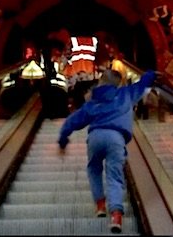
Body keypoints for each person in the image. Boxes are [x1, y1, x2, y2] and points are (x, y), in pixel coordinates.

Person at [58, 69, 157, 233]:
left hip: (95, 137)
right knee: (114, 175)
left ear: (101, 81)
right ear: (117, 83)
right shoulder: (126, 94)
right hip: (116, 138)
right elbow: (143, 83)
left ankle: (100, 205)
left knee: (94, 169)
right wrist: (151, 74)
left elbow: (73, 120)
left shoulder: (92, 102)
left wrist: (63, 138)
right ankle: (116, 215)